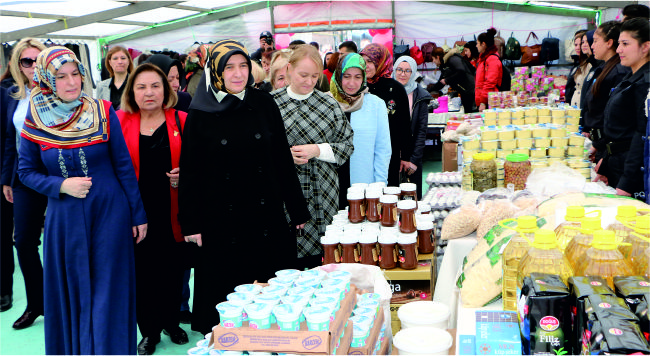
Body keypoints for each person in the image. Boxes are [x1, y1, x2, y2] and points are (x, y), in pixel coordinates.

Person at [17, 46, 147, 354]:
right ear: (47, 79)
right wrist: (61, 185)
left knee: (108, 292)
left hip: (109, 213)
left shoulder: (102, 110)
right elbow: (25, 172)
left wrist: (137, 214)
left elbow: (123, 165)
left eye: (75, 74)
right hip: (64, 219)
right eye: (61, 76)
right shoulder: (35, 120)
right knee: (73, 290)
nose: (71, 82)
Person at [178, 40, 310, 335]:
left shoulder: (263, 103)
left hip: (266, 212)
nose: (237, 74)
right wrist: (190, 222)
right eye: (229, 67)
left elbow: (280, 158)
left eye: (242, 66)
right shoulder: (200, 113)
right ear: (215, 71)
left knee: (271, 298)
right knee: (229, 302)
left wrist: (296, 208)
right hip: (222, 219)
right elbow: (191, 172)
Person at [116, 63, 188, 355]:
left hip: (173, 210)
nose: (149, 92)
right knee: (143, 274)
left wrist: (187, 173)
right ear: (132, 91)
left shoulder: (182, 120)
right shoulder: (119, 121)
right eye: (141, 87)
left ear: (166, 89)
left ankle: (172, 321)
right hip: (135, 212)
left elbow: (201, 163)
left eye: (155, 86)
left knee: (174, 270)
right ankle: (149, 331)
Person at [272, 44, 354, 269]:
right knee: (286, 264)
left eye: (315, 76)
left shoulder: (329, 104)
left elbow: (347, 146)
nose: (308, 81)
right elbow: (257, 151)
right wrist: (283, 156)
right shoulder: (270, 104)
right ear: (289, 69)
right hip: (284, 194)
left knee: (323, 261)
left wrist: (318, 150)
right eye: (303, 75)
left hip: (323, 193)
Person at [0, 38, 47, 329]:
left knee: (63, 243)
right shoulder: (13, 95)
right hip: (23, 177)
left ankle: (65, 300)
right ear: (18, 65)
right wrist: (6, 179)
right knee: (25, 242)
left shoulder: (61, 90)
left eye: (37, 59)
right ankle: (36, 304)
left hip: (58, 177)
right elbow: (9, 139)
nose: (32, 66)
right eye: (26, 61)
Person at [597, 18, 649, 200]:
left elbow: (642, 136)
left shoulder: (645, 84)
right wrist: (605, 160)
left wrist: (627, 182)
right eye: (619, 43)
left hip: (631, 169)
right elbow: (616, 128)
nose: (618, 50)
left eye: (625, 44)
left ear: (645, 47)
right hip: (617, 162)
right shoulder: (630, 77)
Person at [328, 53, 391, 188]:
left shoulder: (375, 105)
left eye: (358, 77)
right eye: (346, 76)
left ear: (364, 78)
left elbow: (382, 149)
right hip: (331, 185)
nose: (352, 83)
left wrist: (380, 183)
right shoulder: (326, 103)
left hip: (364, 184)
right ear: (339, 76)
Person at [360, 43, 413, 187]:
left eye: (370, 61)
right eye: (363, 62)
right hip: (363, 151)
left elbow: (404, 125)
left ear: (381, 62)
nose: (366, 66)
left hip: (391, 151)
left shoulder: (396, 89)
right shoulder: (358, 87)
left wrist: (406, 156)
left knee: (388, 192)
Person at [582, 21, 630, 168]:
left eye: (595, 41)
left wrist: (600, 145)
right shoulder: (603, 68)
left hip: (609, 146)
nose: (592, 46)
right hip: (598, 142)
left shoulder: (619, 72)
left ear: (609, 43)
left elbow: (612, 116)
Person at [393, 56, 433, 199]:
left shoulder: (420, 96)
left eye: (407, 71)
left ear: (413, 73)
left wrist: (414, 160)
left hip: (411, 157)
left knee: (412, 200)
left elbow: (421, 131)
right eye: (399, 70)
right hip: (391, 156)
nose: (403, 74)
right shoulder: (388, 91)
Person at [429, 46, 476, 113]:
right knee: (467, 113)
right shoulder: (444, 66)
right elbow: (440, 83)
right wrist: (427, 91)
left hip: (471, 90)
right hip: (464, 92)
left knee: (471, 113)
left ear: (438, 57)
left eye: (433, 59)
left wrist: (447, 80)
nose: (433, 61)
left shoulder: (452, 59)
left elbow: (461, 71)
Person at [0, 86, 13, 313]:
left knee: (2, 233)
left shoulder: (4, 96)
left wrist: (5, 177)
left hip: (1, 173)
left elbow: (7, 139)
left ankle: (3, 288)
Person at [96, 45, 134, 110]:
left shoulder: (136, 83)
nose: (120, 62)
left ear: (129, 61)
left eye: (123, 58)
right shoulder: (101, 86)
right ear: (110, 62)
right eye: (115, 58)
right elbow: (99, 111)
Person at [475, 28, 502, 112]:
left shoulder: (492, 59)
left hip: (489, 101)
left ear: (483, 44)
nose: (476, 46)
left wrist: (483, 102)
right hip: (484, 100)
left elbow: (490, 82)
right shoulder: (484, 59)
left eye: (477, 43)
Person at [564, 30, 590, 107]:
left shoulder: (588, 65)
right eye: (575, 45)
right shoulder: (577, 64)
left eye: (581, 44)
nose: (578, 48)